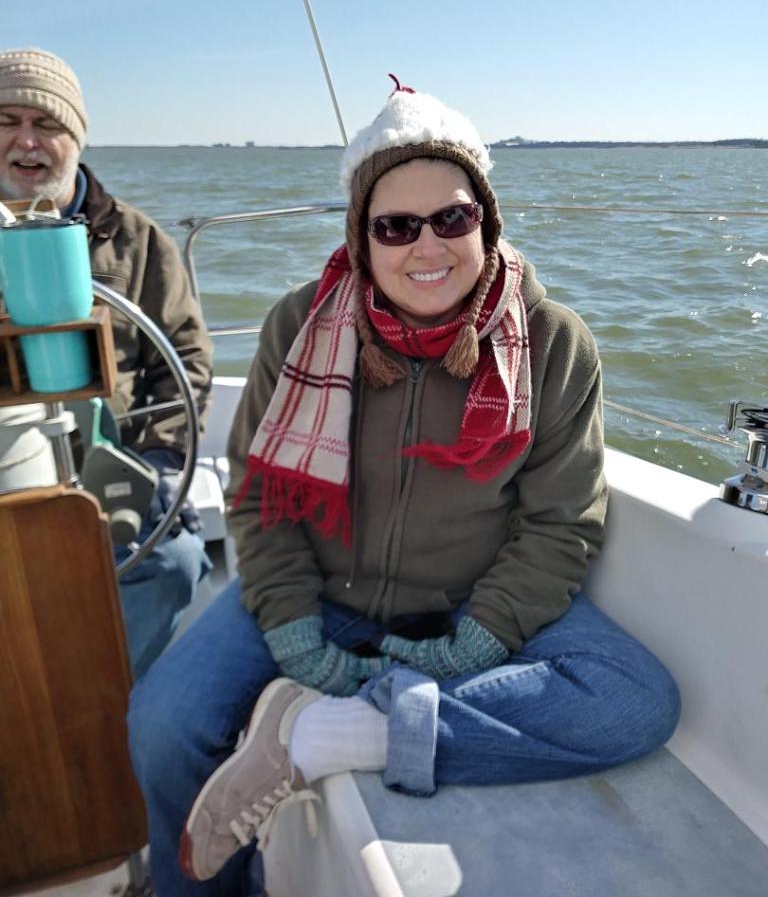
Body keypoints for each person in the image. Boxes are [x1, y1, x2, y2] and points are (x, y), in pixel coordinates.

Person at [128, 81, 680, 896]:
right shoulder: (299, 325)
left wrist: (477, 643)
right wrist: (296, 636)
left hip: (467, 603)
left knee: (634, 702)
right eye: (395, 226)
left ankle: (332, 735)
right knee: (163, 725)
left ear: (486, 222)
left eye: (452, 218)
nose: (428, 246)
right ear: (362, 239)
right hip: (322, 594)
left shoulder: (554, 342)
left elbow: (560, 523)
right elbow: (261, 497)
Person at [0, 48, 214, 678]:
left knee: (174, 563)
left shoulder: (138, 241)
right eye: (7, 122)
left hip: (106, 467)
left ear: (77, 138)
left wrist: (160, 462)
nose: (27, 141)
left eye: (48, 125)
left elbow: (185, 361)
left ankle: (97, 705)